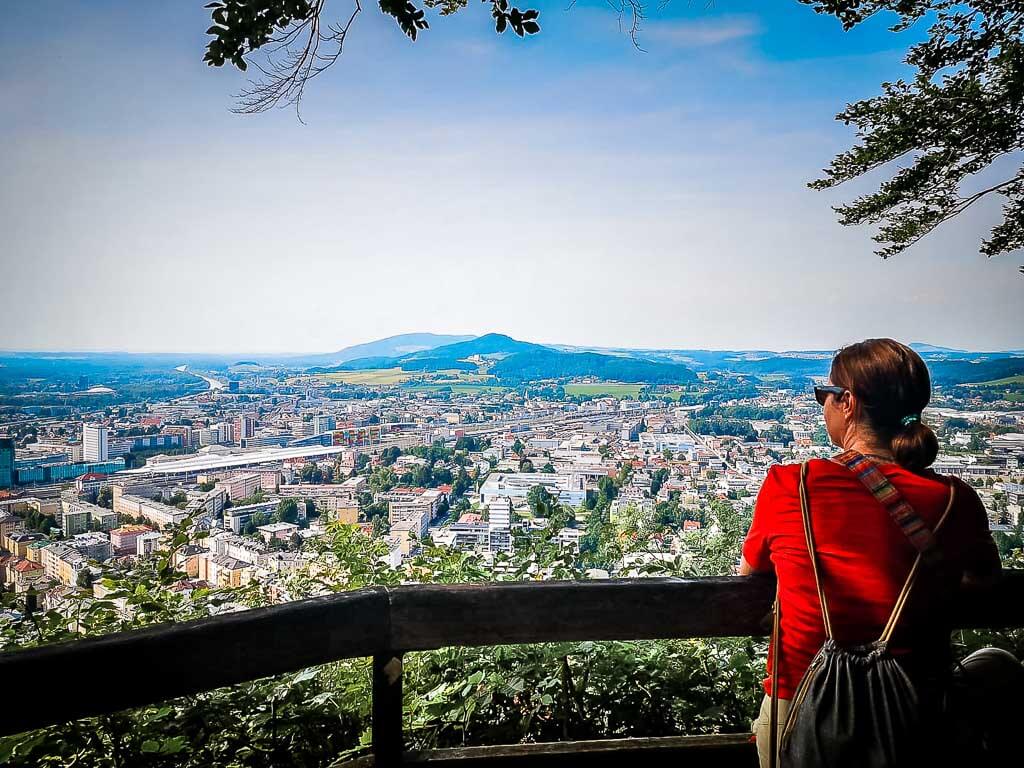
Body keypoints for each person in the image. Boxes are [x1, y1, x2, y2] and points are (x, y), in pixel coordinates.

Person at [739, 338, 1002, 768]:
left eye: (824, 394)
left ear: (848, 403)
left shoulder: (792, 486)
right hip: (914, 712)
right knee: (998, 665)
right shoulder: (956, 501)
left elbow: (750, 573)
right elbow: (985, 580)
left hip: (802, 709)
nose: (822, 404)